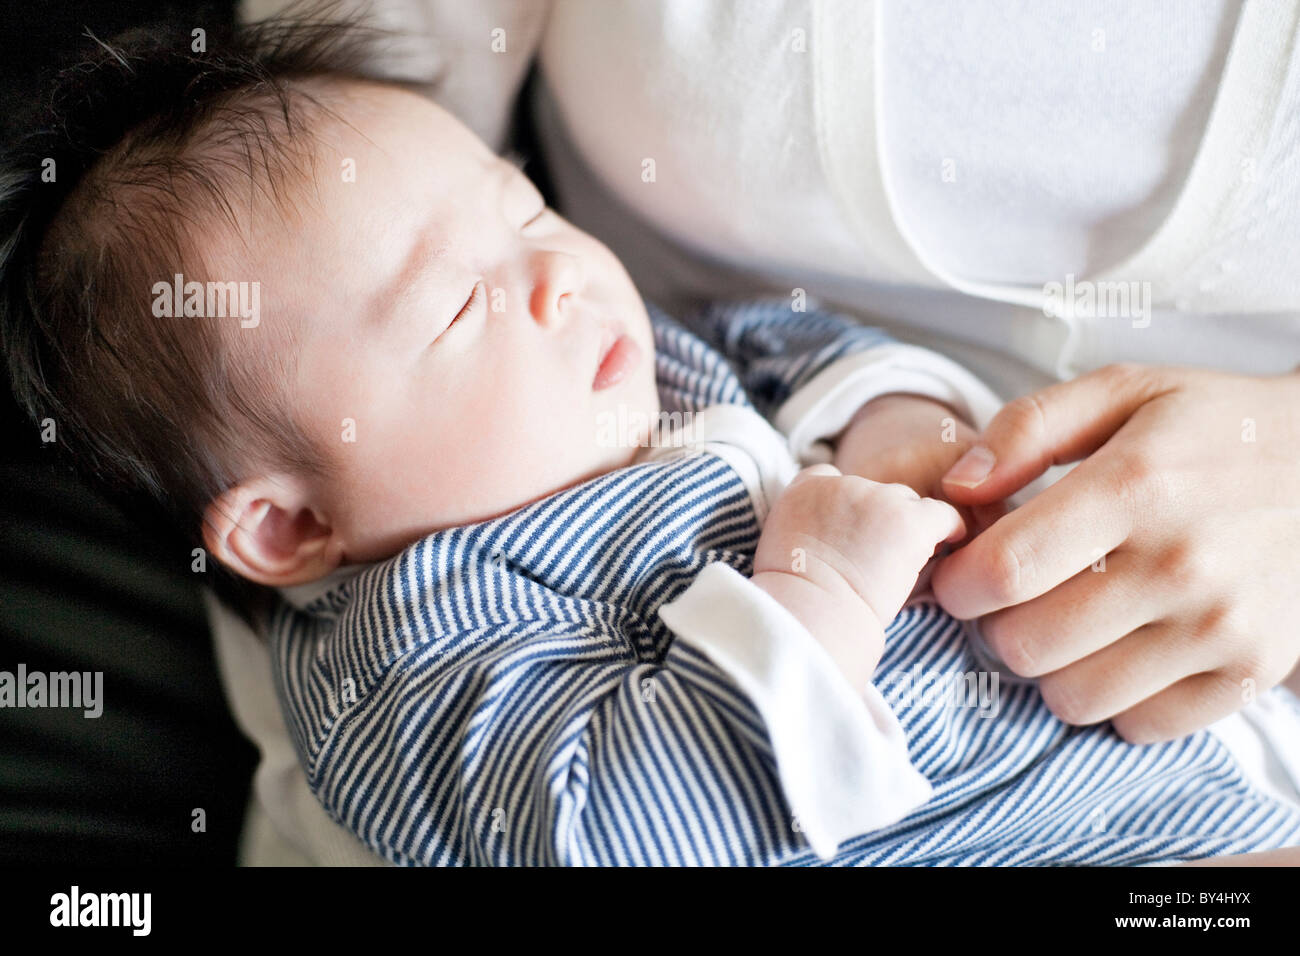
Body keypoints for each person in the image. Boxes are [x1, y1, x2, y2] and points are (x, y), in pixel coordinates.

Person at [6, 15, 1300, 864]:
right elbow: (616, 834)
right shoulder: (414, 661)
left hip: (1188, 740)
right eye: (461, 304)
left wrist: (891, 416)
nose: (561, 276)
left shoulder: (634, 375)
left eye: (524, 212)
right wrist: (816, 598)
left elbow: (788, 346)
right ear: (290, 525)